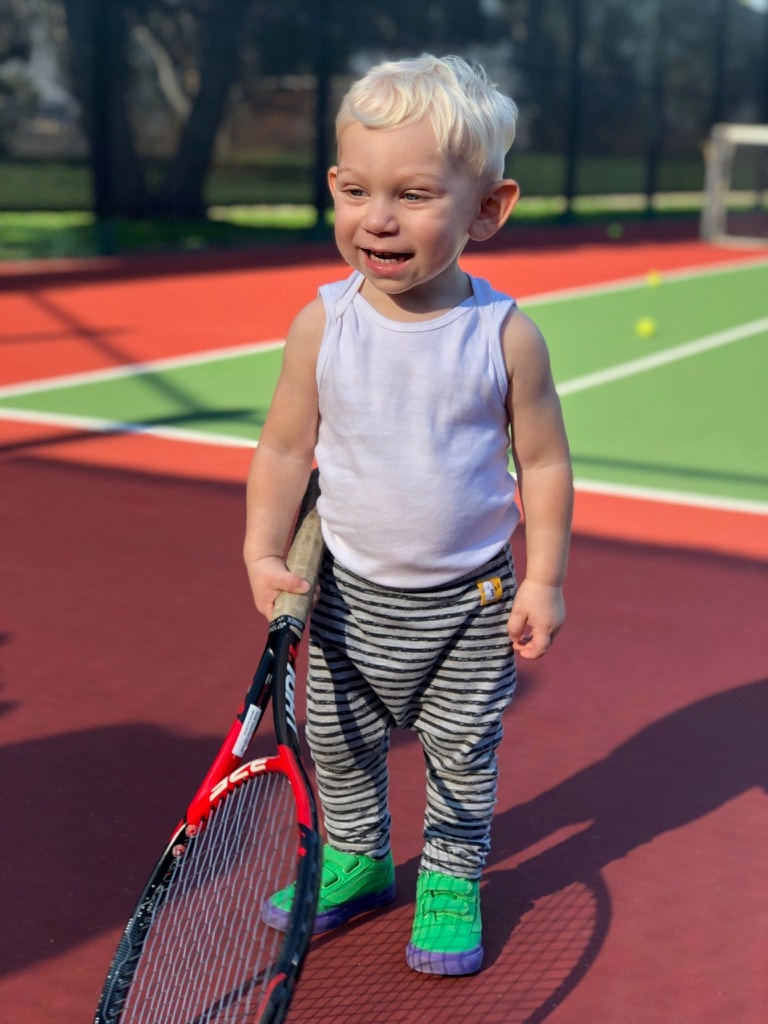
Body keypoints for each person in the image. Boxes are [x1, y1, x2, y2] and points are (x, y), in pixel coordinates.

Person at [243, 53, 573, 977]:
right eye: (357, 190)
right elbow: (280, 450)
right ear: (335, 189)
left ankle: (452, 875)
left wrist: (543, 579)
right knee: (340, 746)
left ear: (486, 210)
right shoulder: (322, 323)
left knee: (462, 755)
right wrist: (262, 550)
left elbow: (542, 465)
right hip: (348, 594)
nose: (377, 219)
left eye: (415, 194)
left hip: (468, 603)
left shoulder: (504, 335)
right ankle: (355, 860)